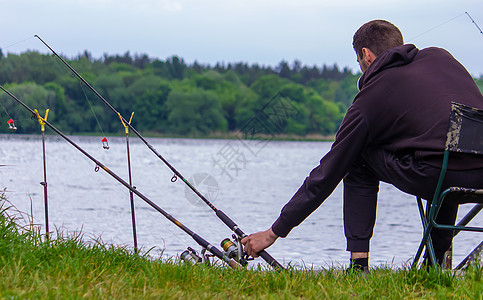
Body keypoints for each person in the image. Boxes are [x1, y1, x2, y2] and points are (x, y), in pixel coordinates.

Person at [241, 19, 483, 271]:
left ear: (366, 55)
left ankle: (359, 266)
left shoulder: (373, 94)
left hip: (439, 177)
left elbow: (327, 173)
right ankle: (434, 266)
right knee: (449, 154)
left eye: (359, 62)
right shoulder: (441, 57)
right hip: (478, 174)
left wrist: (273, 232)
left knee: (358, 157)